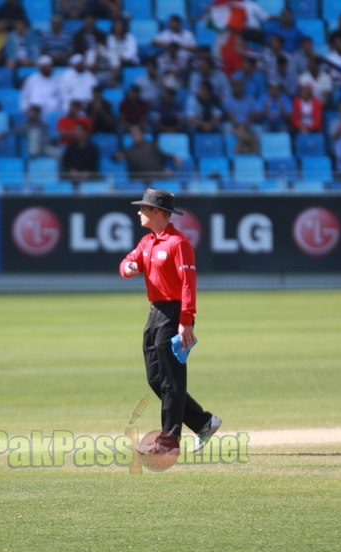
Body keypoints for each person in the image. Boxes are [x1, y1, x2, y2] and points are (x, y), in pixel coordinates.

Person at [119, 188, 221, 455]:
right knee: (156, 378)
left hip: (175, 314)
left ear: (158, 212)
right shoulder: (147, 241)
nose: (139, 212)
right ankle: (203, 422)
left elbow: (189, 285)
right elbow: (129, 261)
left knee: (171, 379)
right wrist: (128, 267)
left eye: (144, 208)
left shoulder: (178, 243)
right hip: (155, 313)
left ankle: (169, 439)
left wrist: (186, 321)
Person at [113, 126, 182, 182]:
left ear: (142, 134)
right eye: (133, 134)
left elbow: (163, 155)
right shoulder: (128, 151)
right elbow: (115, 158)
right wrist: (117, 156)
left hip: (158, 174)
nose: (135, 135)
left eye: (137, 132)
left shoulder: (152, 145)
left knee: (173, 174)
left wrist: (174, 157)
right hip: (142, 179)